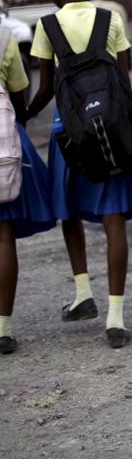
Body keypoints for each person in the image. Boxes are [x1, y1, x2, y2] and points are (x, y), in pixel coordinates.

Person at [27, 0, 132, 349]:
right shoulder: (110, 18)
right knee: (114, 220)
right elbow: (124, 81)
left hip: (68, 135)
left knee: (69, 211)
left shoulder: (47, 26)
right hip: (112, 130)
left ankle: (82, 292)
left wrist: (21, 117)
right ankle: (116, 317)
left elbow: (46, 90)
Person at [0, 23, 58, 355]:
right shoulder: (5, 37)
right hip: (2, 143)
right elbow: (19, 93)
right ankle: (3, 328)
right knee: (4, 235)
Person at [91, 0, 132, 71]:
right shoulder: (118, 8)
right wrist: (129, 59)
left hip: (94, 57)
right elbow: (126, 37)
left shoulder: (90, 5)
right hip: (114, 57)